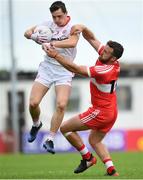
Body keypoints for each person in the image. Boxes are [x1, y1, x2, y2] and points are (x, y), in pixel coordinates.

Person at [43, 25, 124, 176]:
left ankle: (87, 158)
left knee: (65, 128)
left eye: (106, 52)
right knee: (95, 140)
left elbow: (75, 69)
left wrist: (55, 55)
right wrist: (83, 27)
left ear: (113, 58)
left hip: (101, 112)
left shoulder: (104, 71)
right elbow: (91, 38)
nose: (102, 52)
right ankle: (111, 169)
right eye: (104, 48)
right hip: (111, 111)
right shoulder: (107, 58)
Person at [24, 1, 80, 154]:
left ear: (66, 13)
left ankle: (50, 139)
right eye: (54, 17)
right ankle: (36, 124)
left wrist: (51, 42)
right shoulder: (47, 24)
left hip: (65, 69)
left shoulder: (74, 27)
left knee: (61, 104)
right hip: (47, 68)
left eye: (59, 16)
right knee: (33, 103)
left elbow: (73, 42)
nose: (56, 20)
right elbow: (27, 32)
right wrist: (34, 36)